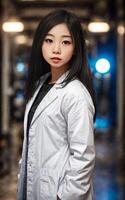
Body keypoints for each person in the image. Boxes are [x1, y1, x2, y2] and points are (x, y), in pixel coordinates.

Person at [17, 9, 96, 200]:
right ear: (39, 44)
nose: (56, 49)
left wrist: (64, 196)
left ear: (76, 47)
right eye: (49, 40)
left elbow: (83, 157)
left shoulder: (75, 94)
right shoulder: (40, 85)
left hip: (58, 193)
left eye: (66, 42)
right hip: (34, 188)